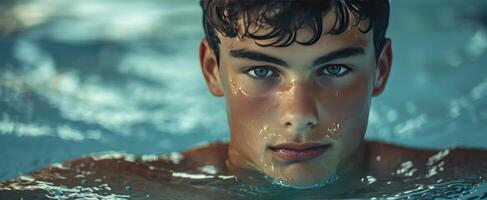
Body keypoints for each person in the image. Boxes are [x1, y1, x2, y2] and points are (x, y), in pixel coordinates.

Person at [1, 0, 486, 198]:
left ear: (380, 70)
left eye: (334, 69)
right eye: (261, 70)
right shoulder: (135, 186)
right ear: (213, 70)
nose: (299, 116)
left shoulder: (452, 177)